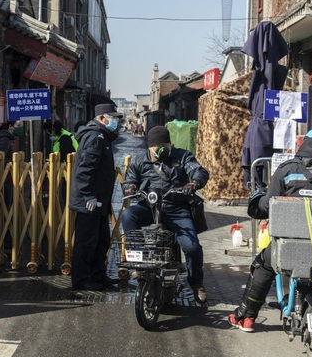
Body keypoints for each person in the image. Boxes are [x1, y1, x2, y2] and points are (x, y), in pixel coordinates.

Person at [228, 127, 312, 333]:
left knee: (263, 265)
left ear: (305, 143)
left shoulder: (287, 170)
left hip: (289, 245)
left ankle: (246, 317)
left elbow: (268, 205)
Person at [120, 126, 210, 304]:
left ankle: (196, 282)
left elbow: (199, 171)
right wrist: (130, 187)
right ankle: (141, 260)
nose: (161, 149)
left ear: (169, 144)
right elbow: (130, 179)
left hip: (177, 209)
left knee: (192, 247)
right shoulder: (139, 160)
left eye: (164, 145)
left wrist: (194, 183)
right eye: (157, 146)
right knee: (128, 215)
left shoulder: (183, 156)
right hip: (149, 207)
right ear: (149, 147)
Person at [69, 104, 123, 291]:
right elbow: (84, 170)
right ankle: (82, 279)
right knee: (87, 242)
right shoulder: (95, 137)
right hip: (89, 203)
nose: (117, 122)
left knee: (101, 241)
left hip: (100, 201)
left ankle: (98, 275)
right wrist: (89, 196)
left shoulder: (104, 137)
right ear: (102, 118)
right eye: (113, 118)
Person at [0, 122, 15, 204]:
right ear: (10, 126)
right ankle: (6, 215)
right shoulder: (5, 138)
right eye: (16, 126)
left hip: (8, 171)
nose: (15, 129)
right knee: (7, 196)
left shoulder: (7, 137)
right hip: (5, 171)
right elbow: (1, 155)